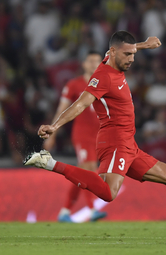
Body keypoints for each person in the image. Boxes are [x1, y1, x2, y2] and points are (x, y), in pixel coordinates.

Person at [24, 31, 166, 242]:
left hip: (129, 144)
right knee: (108, 193)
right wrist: (55, 126)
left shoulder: (113, 57)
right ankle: (50, 163)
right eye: (128, 55)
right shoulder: (102, 76)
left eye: (133, 54)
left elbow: (124, 48)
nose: (132, 59)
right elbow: (81, 103)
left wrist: (144, 45)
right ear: (113, 53)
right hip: (114, 141)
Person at [43, 51, 107, 222]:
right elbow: (61, 109)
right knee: (89, 168)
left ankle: (65, 211)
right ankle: (93, 209)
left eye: (97, 61)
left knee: (83, 172)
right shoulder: (74, 84)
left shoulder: (107, 84)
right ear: (84, 64)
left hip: (100, 134)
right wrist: (52, 133)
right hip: (82, 133)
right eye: (90, 60)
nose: (94, 63)